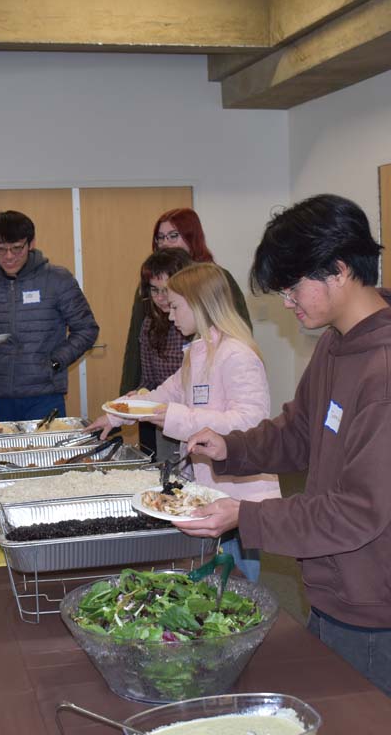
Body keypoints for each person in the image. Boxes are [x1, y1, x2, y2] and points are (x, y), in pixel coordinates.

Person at [175, 194, 391, 731]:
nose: (286, 302)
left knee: (385, 719)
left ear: (339, 270)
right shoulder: (337, 344)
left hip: (382, 591)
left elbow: (356, 511)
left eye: (292, 287)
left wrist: (246, 517)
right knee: (337, 711)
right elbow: (301, 430)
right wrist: (233, 448)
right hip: (339, 578)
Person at [89, 261, 278, 581]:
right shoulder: (197, 353)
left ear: (199, 305)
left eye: (175, 306)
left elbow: (249, 423)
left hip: (237, 489)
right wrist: (115, 415)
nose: (170, 315)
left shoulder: (237, 354)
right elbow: (162, 395)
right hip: (210, 484)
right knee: (214, 570)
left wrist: (175, 416)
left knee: (238, 576)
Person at [120, 209, 252, 455]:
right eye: (160, 238)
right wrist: (126, 404)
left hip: (205, 421)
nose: (165, 243)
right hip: (170, 409)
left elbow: (244, 422)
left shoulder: (231, 349)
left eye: (173, 235)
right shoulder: (153, 313)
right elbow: (137, 353)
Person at [0, 210, 98, 421]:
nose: (8, 256)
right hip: (1, 395)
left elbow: (87, 329)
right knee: (6, 444)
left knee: (48, 445)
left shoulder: (57, 279)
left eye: (16, 248)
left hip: (45, 394)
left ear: (31, 243)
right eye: (0, 249)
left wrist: (55, 363)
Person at [125, 248, 193, 461]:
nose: (160, 298)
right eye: (154, 290)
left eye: (166, 290)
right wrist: (138, 396)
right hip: (164, 417)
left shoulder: (199, 326)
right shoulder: (149, 325)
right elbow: (149, 380)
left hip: (197, 418)